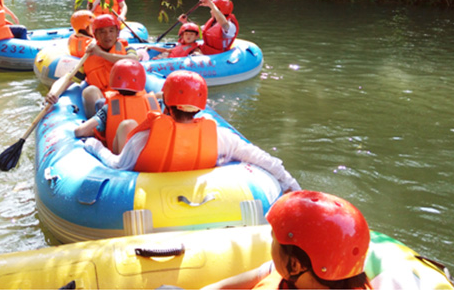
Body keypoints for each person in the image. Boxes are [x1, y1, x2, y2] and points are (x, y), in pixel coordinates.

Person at [83, 70, 300, 193]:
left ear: (165, 102)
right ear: (200, 105)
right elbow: (265, 160)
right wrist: (292, 187)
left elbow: (117, 166)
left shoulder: (143, 139)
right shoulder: (220, 137)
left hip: (148, 201)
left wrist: (94, 147)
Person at [202, 190, 371, 290]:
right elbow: (264, 271)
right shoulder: (299, 272)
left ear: (296, 265)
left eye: (273, 239)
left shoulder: (294, 272)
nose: (271, 243)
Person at [45, 13, 138, 117]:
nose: (107, 35)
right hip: (103, 102)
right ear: (96, 35)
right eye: (102, 32)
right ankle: (99, 126)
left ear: (117, 33)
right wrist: (53, 92)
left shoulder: (127, 49)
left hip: (126, 98)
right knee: (90, 91)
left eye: (111, 31)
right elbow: (68, 78)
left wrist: (101, 54)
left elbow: (134, 61)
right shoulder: (88, 58)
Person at [74, 59, 161, 154]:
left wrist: (93, 132)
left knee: (100, 105)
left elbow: (79, 132)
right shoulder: (154, 104)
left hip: (120, 158)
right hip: (148, 155)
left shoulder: (109, 109)